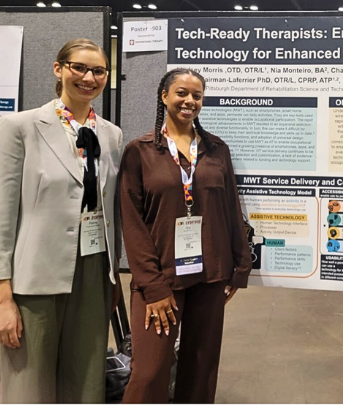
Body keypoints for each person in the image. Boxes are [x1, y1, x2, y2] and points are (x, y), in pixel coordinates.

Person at [119, 68, 252, 403]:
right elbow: (132, 223)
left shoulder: (216, 149)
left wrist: (240, 266)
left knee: (200, 366)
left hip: (209, 273)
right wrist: (152, 286)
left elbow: (231, 209)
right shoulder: (141, 151)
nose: (189, 101)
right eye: (181, 93)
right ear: (164, 96)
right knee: (149, 371)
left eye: (196, 95)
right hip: (161, 276)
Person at [0, 38, 122, 403]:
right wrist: (3, 296)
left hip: (93, 269)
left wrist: (112, 274)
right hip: (34, 276)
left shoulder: (111, 135)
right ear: (59, 68)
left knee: (85, 380)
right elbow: (3, 215)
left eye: (98, 70)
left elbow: (109, 208)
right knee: (28, 382)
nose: (89, 77)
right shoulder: (20, 126)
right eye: (79, 68)